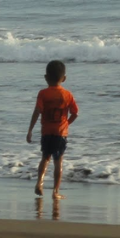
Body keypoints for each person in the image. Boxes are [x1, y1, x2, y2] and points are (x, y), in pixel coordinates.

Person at [26, 60, 79, 199]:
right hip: (60, 132)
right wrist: (66, 123)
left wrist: (30, 129)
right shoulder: (67, 94)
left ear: (46, 77)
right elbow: (75, 113)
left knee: (45, 158)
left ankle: (39, 182)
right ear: (64, 78)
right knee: (58, 161)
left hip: (46, 132)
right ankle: (55, 191)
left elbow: (37, 111)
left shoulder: (43, 93)